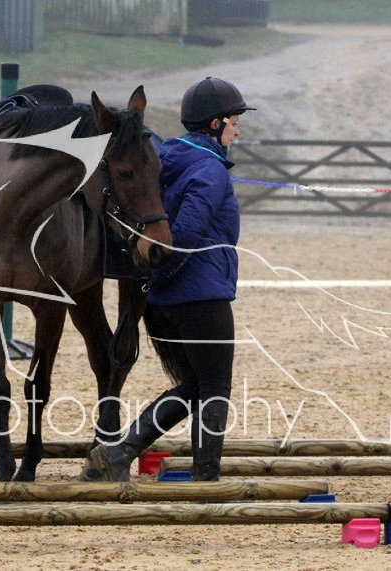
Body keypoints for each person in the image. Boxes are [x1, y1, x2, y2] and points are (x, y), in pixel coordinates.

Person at [80, 77, 255, 482]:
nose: (237, 132)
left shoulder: (161, 158)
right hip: (200, 295)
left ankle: (119, 453)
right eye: (234, 123)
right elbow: (186, 235)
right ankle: (205, 478)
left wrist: (155, 277)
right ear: (215, 123)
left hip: (162, 300)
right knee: (214, 388)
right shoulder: (209, 169)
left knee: (193, 385)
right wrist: (167, 271)